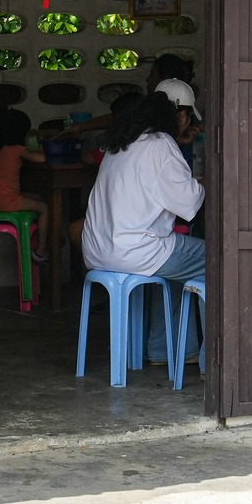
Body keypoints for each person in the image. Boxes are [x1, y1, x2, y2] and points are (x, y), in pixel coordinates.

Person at [83, 91, 204, 362]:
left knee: (176, 270)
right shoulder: (162, 144)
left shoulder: (121, 142)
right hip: (136, 252)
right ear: (181, 116)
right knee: (220, 261)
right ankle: (213, 360)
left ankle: (172, 350)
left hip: (99, 251)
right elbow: (189, 205)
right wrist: (202, 183)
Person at [0, 108, 50, 262]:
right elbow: (41, 159)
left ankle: (46, 237)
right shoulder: (18, 149)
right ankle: (41, 250)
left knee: (33, 199)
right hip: (9, 201)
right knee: (44, 207)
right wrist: (41, 148)